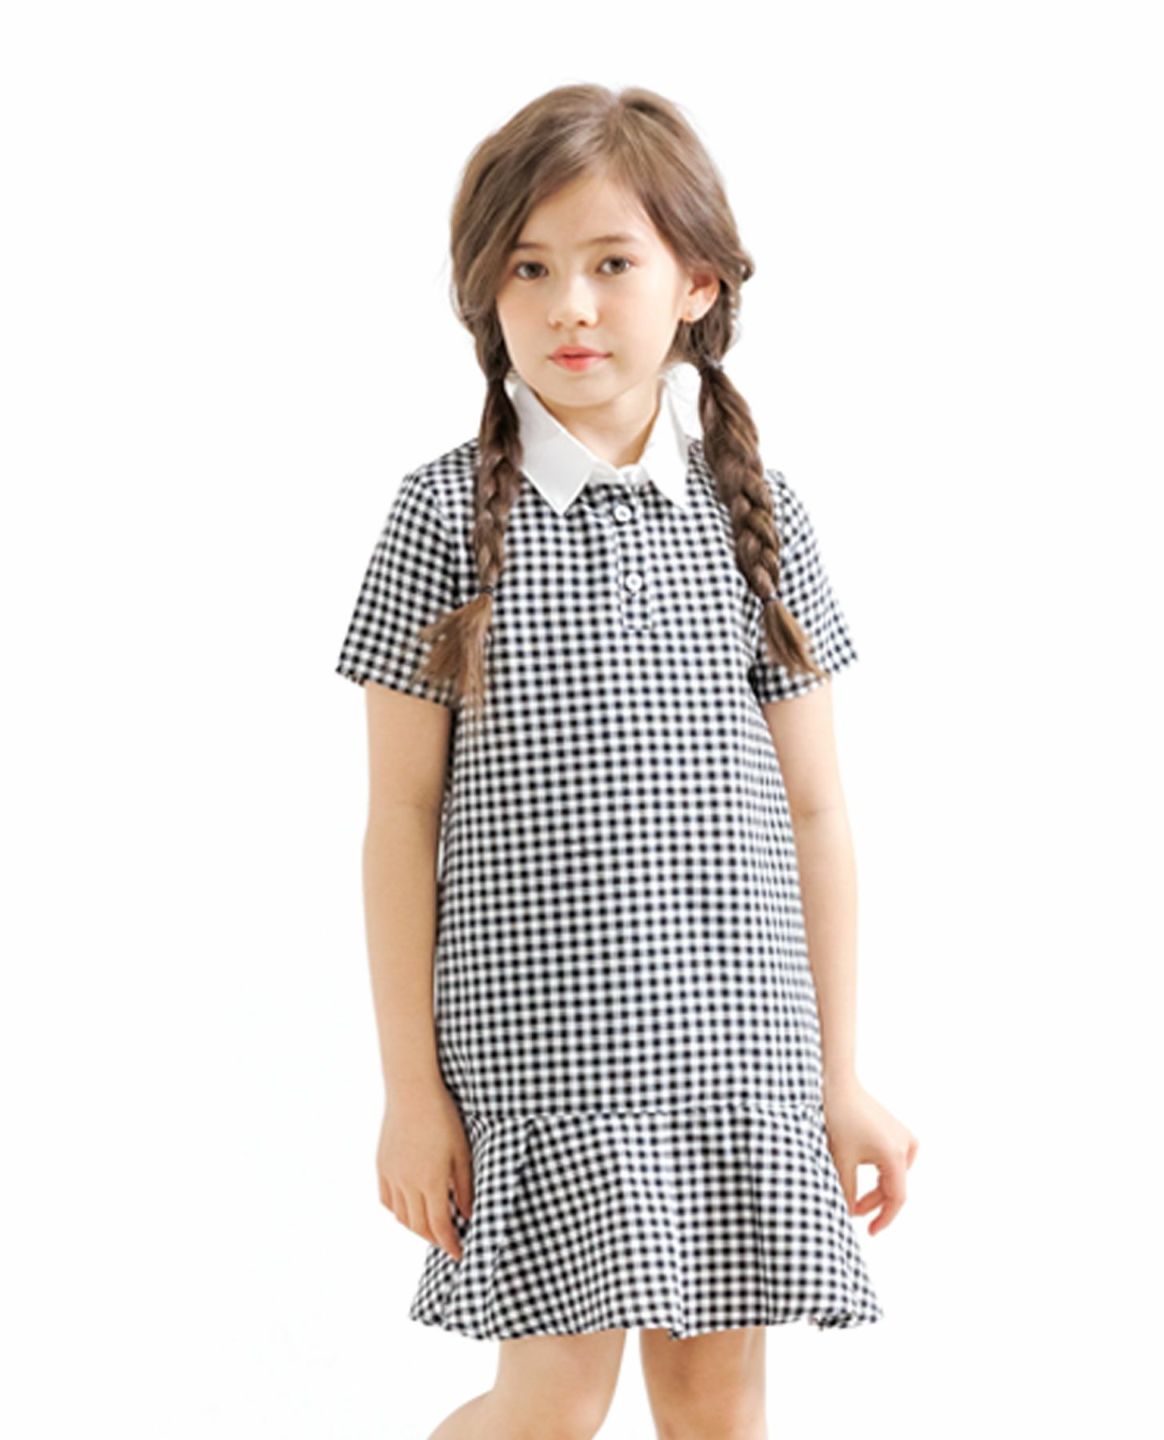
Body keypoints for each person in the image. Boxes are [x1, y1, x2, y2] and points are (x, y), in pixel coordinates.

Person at [335, 82, 918, 1440]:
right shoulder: (440, 517)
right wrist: (411, 1092)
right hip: (543, 1055)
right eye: (529, 270)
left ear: (696, 284)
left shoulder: (755, 514)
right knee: (554, 1401)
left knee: (718, 1402)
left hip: (735, 1046)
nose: (571, 308)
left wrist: (836, 1075)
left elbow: (816, 811)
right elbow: (399, 818)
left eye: (612, 264)